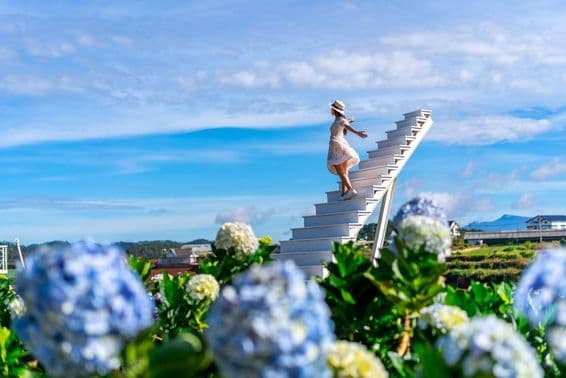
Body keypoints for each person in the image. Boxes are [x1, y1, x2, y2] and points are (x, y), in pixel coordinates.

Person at [327, 100, 368, 200]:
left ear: (334, 110)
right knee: (343, 171)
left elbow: (346, 126)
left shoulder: (341, 120)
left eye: (332, 108)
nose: (331, 110)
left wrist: (358, 133)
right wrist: (349, 120)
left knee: (340, 171)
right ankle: (344, 193)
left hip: (336, 146)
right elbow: (344, 124)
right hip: (340, 145)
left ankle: (350, 190)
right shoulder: (340, 120)